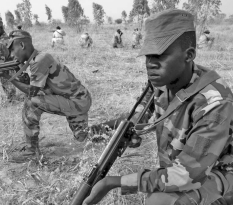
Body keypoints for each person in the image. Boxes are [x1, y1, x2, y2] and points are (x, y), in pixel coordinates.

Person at [85, 9, 233, 205]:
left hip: (219, 173)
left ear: (189, 55)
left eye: (159, 56)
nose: (150, 64)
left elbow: (188, 174)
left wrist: (114, 182)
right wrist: (130, 130)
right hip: (179, 167)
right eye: (148, 56)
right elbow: (141, 114)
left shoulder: (215, 102)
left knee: (160, 201)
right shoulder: (163, 81)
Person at [0, 30, 92, 161]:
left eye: (13, 49)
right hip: (78, 99)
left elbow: (32, 92)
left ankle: (31, 151)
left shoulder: (39, 60)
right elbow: (38, 86)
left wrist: (8, 76)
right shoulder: (38, 57)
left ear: (22, 45)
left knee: (31, 103)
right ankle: (113, 127)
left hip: (76, 102)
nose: (12, 54)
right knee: (82, 136)